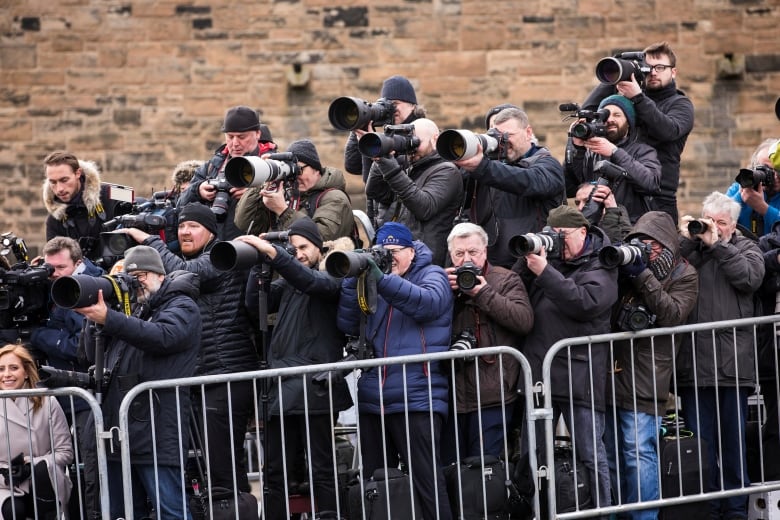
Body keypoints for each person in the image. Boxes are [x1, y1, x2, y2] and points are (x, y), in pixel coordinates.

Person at [121, 202, 259, 495]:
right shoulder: (179, 261)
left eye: (193, 226)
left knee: (223, 465)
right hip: (197, 374)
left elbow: (186, 271)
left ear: (211, 233)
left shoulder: (222, 257)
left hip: (226, 374)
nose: (185, 231)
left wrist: (149, 242)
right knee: (199, 468)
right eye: (182, 226)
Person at [237, 217, 352, 518]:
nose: (298, 253)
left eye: (303, 247)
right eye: (293, 248)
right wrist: (258, 264)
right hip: (281, 385)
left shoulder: (334, 275)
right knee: (274, 471)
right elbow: (254, 305)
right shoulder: (288, 282)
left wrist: (277, 254)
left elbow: (310, 281)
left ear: (319, 247)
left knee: (321, 468)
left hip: (315, 385)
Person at [74, 245, 200, 520]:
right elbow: (87, 353)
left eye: (141, 275)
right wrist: (99, 315)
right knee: (124, 513)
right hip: (120, 430)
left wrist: (112, 318)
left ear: (160, 276)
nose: (136, 282)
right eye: (130, 277)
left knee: (171, 510)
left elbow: (163, 336)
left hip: (157, 427)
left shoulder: (182, 304)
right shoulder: (131, 311)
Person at [337, 222, 453, 519]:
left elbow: (427, 304)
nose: (389, 258)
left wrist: (381, 277)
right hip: (374, 397)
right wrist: (354, 279)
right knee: (378, 483)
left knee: (426, 480)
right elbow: (348, 325)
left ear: (411, 252)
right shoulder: (376, 280)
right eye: (382, 252)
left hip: (417, 395)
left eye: (394, 252)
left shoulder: (432, 274)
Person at [512, 205, 618, 509]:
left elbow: (585, 302)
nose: (559, 242)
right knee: (533, 453)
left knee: (590, 453)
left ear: (583, 232)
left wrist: (545, 271)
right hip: (540, 375)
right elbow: (518, 286)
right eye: (553, 235)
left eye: (563, 236)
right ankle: (538, 511)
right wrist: (531, 254)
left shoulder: (602, 265)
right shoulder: (551, 261)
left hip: (579, 377)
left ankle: (601, 512)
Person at [604, 211, 699, 519]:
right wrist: (622, 268)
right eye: (639, 243)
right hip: (611, 370)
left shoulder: (684, 274)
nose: (645, 250)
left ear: (668, 246)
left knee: (638, 453)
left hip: (647, 375)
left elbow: (671, 314)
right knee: (614, 456)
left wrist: (642, 273)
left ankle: (644, 517)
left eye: (651, 245)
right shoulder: (627, 269)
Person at [677, 191, 765, 520]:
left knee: (733, 448)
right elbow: (669, 270)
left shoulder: (745, 248)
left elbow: (750, 278)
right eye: (708, 220)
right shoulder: (692, 251)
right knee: (702, 448)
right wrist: (689, 238)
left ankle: (736, 512)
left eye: (720, 223)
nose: (712, 227)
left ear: (732, 225)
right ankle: (708, 511)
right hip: (694, 367)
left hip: (731, 367)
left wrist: (719, 245)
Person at [442, 222, 533, 462]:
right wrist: (442, 293)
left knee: (486, 472)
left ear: (485, 252)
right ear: (451, 256)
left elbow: (523, 320)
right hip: (452, 396)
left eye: (473, 252)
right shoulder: (442, 282)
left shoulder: (505, 280)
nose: (466, 260)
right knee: (452, 471)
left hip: (493, 394)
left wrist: (482, 293)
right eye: (459, 254)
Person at [28, 236, 103, 518]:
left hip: (86, 394)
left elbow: (80, 347)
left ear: (79, 263)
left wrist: (39, 335)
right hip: (62, 393)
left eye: (60, 268)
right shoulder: (53, 286)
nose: (54, 274)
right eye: (50, 268)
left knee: (91, 466)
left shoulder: (91, 288)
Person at [582, 41, 694, 223]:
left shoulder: (680, 104)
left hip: (657, 197)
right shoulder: (631, 99)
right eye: (647, 68)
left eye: (660, 67)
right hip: (618, 192)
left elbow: (668, 131)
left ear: (673, 72)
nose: (653, 73)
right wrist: (617, 73)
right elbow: (588, 112)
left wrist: (638, 98)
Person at [454, 107, 565, 269]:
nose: (503, 142)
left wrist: (482, 167)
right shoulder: (490, 167)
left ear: (528, 132)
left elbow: (528, 181)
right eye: (498, 137)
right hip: (490, 264)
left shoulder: (548, 164)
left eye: (509, 136)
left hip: (530, 262)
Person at [365, 117, 463, 266]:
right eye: (408, 143)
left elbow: (424, 207)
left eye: (416, 142)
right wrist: (382, 156)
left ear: (435, 139)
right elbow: (375, 192)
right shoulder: (407, 166)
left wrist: (392, 169)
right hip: (393, 255)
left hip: (423, 260)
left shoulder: (447, 171)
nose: (412, 149)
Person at [178, 105, 277, 240]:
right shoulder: (213, 166)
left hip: (254, 250)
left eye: (241, 137)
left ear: (258, 134)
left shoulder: (273, 166)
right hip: (212, 250)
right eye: (230, 137)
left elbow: (286, 208)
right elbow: (179, 206)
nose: (235, 143)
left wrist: (254, 194)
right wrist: (198, 190)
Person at [0, 344, 73, 520]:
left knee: (41, 480)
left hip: (44, 481)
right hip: (4, 485)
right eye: (1, 369)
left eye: (14, 368)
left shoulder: (48, 402)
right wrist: (6, 476)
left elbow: (65, 452)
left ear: (26, 372)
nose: (6, 374)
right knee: (12, 511)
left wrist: (31, 465)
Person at [565, 94, 662, 223]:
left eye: (617, 115)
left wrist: (614, 152)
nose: (610, 119)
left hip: (629, 228)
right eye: (605, 115)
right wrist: (576, 147)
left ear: (629, 122)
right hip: (595, 227)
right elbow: (569, 188)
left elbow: (651, 183)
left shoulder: (643, 151)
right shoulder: (590, 152)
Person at [234, 139, 355, 242]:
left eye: (298, 170)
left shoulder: (335, 198)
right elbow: (244, 224)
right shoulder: (285, 195)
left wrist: (283, 211)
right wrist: (262, 183)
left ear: (316, 169)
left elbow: (320, 238)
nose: (294, 176)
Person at [42, 150, 130, 263]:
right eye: (53, 182)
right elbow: (56, 261)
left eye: (64, 180)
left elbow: (142, 206)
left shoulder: (115, 192)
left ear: (78, 173)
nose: (59, 189)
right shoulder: (54, 219)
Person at [344, 74, 427, 183]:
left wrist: (372, 145)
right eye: (388, 105)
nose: (392, 109)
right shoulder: (389, 135)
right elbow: (353, 166)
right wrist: (360, 124)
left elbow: (378, 185)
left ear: (412, 105)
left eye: (395, 103)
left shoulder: (424, 134)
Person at [725, 138, 780, 237]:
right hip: (742, 251)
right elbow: (718, 220)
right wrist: (742, 194)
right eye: (766, 169)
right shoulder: (737, 189)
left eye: (778, 170)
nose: (774, 176)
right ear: (754, 168)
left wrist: (763, 208)